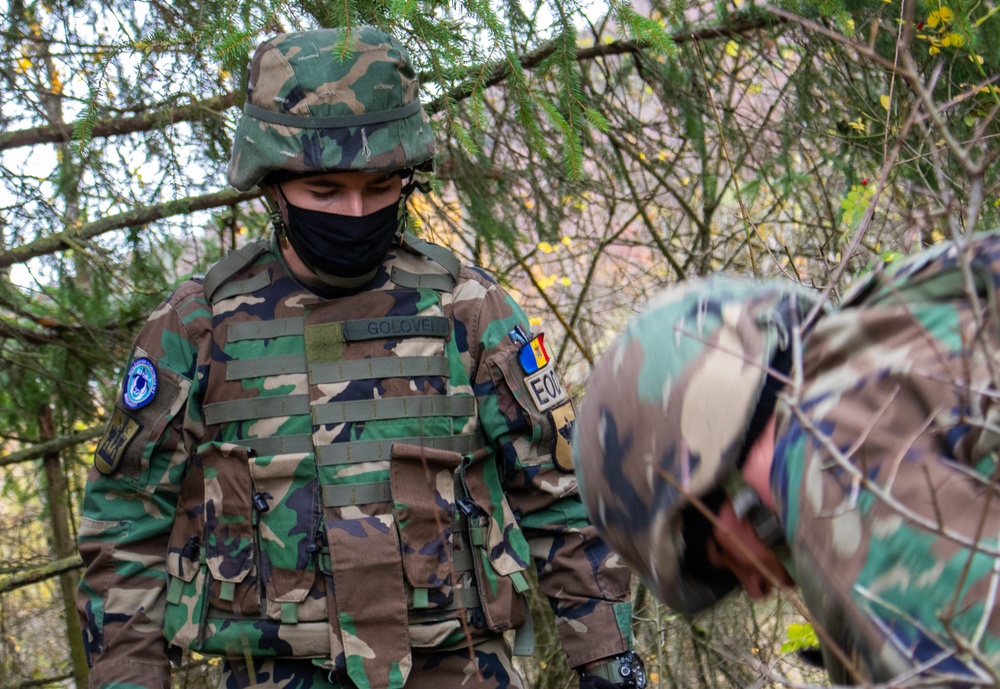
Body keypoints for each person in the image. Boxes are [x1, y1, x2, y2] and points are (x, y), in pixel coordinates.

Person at [77, 26, 641, 689]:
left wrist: (612, 664)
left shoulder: (470, 310)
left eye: (380, 188)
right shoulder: (195, 328)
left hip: (461, 670)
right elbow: (125, 521)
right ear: (273, 184)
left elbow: (563, 499)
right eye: (325, 192)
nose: (355, 211)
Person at [574, 231, 1000, 686]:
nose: (759, 589)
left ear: (722, 478)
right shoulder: (918, 315)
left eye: (724, 559)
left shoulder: (828, 459)